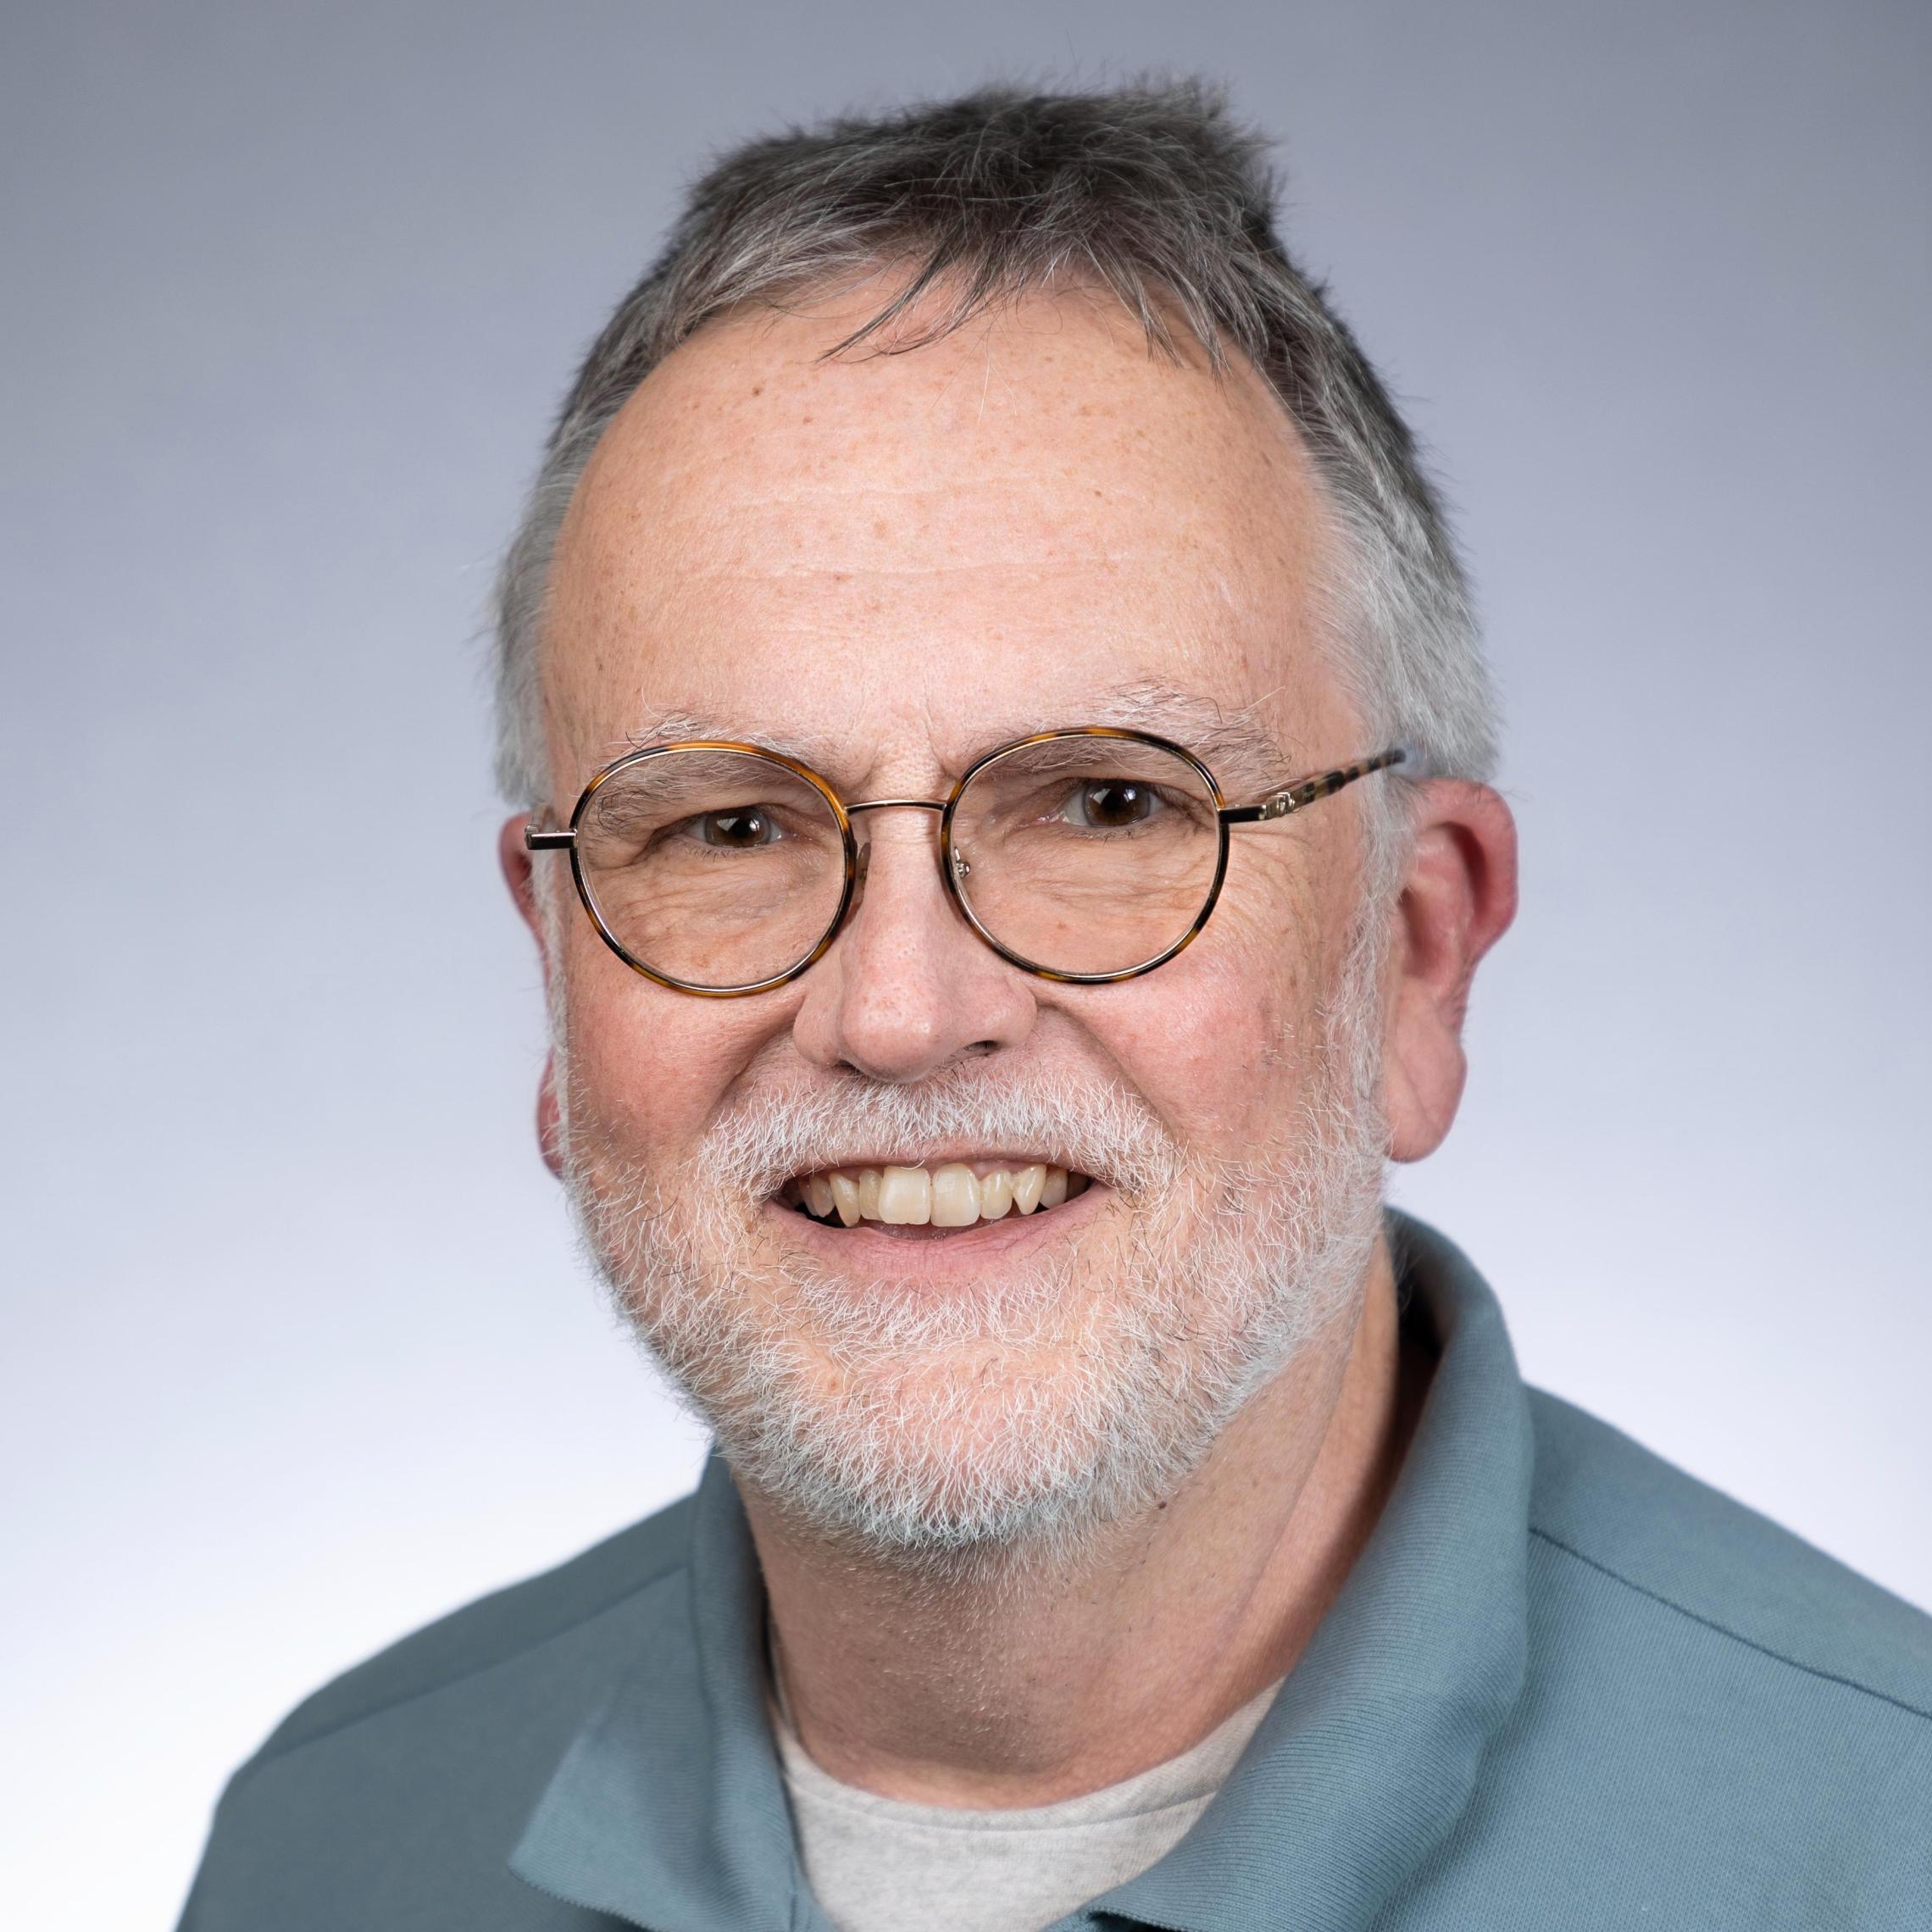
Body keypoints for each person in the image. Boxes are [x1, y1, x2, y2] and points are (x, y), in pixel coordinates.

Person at [178, 82, 1931, 1931]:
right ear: (556, 969)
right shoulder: (335, 1845)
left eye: (1110, 805)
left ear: (1416, 961)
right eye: (732, 826)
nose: (900, 1009)